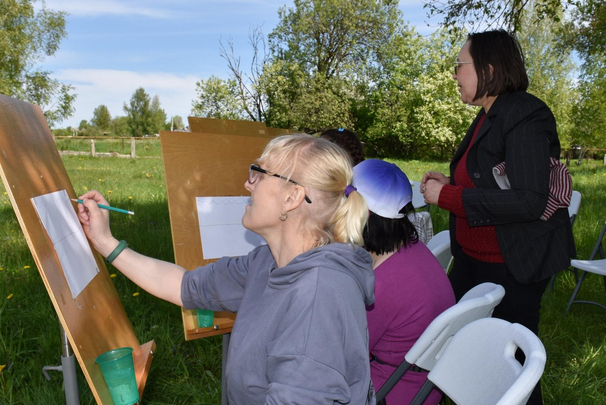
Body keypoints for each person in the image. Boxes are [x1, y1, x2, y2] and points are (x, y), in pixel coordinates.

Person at [77, 134, 376, 404]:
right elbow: (184, 286)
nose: (248, 183)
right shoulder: (266, 262)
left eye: (259, 173)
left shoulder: (317, 297)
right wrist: (105, 242)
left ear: (292, 197)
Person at [420, 30, 575, 405]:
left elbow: (529, 200)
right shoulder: (487, 115)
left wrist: (450, 196)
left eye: (460, 65)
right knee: (450, 345)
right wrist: (450, 181)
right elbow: (487, 176)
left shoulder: (526, 113)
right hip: (474, 259)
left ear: (488, 69)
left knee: (513, 365)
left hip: (513, 265)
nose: (455, 74)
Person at [354, 159, 455, 405]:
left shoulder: (380, 287)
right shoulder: (411, 249)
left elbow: (344, 354)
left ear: (361, 213)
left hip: (389, 390)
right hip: (423, 385)